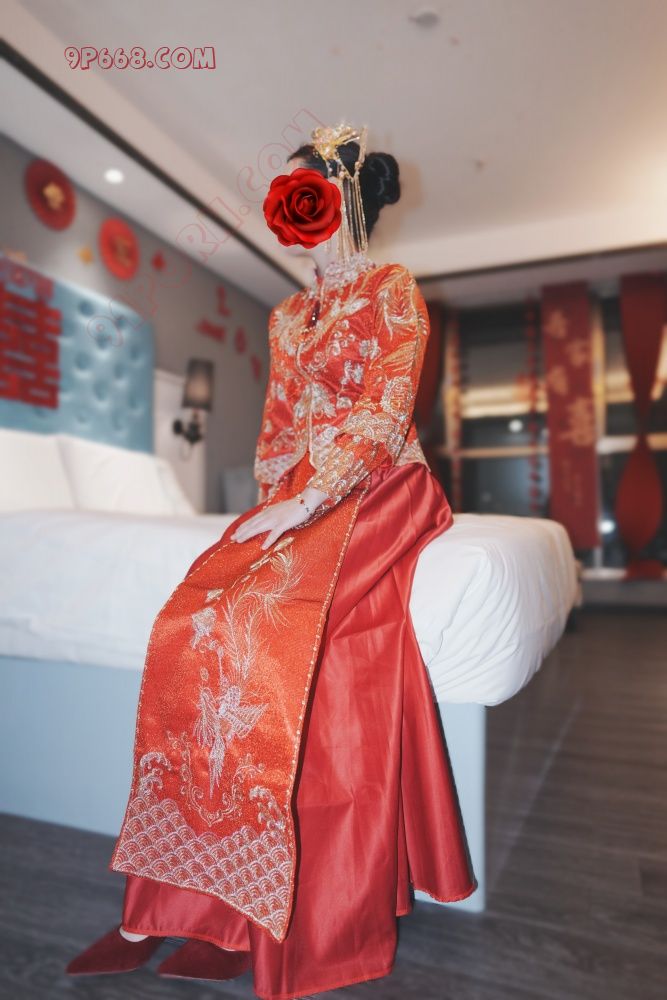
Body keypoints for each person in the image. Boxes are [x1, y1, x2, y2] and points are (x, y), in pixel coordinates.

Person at [66, 122, 476, 999]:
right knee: (197, 619)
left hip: (379, 485)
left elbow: (383, 413)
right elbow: (280, 424)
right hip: (299, 492)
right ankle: (191, 899)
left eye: (309, 195)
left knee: (273, 628)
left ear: (345, 202)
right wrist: (269, 502)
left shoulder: (391, 290)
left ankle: (264, 909)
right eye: (289, 200)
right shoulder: (287, 315)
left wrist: (305, 501)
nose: (295, 213)